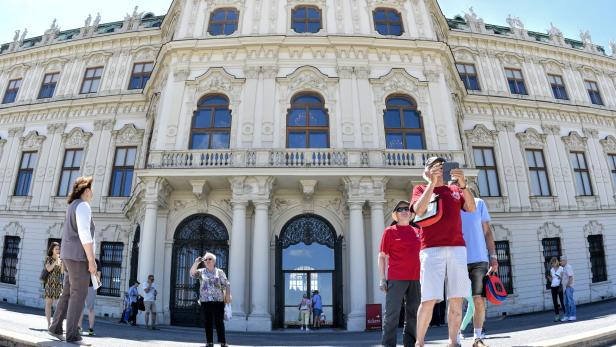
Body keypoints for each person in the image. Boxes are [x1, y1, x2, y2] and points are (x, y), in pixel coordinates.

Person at [411, 157, 476, 347]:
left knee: (456, 298)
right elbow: (419, 210)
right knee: (428, 299)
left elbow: (471, 207)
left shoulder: (455, 190)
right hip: (431, 249)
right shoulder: (420, 189)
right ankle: (420, 343)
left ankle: (452, 341)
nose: (439, 169)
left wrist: (463, 185)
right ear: (427, 170)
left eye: (441, 166)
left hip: (456, 248)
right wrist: (431, 182)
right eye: (434, 166)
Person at [48, 176, 97, 345]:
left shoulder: (71, 206)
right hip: (79, 257)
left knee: (68, 293)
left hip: (68, 255)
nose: (93, 192)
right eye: (91, 188)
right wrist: (92, 260)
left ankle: (55, 328)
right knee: (79, 294)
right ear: (85, 190)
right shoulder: (83, 206)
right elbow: (85, 233)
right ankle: (73, 335)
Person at [378, 200, 421, 347]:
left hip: (416, 278)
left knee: (413, 315)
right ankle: (388, 344)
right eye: (400, 209)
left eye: (407, 209)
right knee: (392, 315)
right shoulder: (389, 231)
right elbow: (382, 256)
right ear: (395, 215)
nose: (404, 211)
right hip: (396, 278)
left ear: (411, 214)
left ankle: (410, 344)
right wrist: (382, 279)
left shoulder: (418, 232)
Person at [458, 194, 498, 347]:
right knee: (456, 301)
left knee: (479, 300)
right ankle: (455, 339)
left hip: (479, 259)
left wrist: (493, 256)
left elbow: (487, 232)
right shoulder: (451, 204)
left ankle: (477, 338)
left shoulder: (479, 203)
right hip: (457, 258)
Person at [190, 252, 231, 347]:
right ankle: (209, 342)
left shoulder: (219, 272)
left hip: (218, 300)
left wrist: (228, 295)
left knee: (219, 322)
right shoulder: (201, 271)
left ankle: (223, 342)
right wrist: (196, 263)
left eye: (210, 259)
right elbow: (192, 274)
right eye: (206, 259)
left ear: (214, 261)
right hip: (205, 301)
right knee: (207, 322)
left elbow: (226, 284)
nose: (207, 261)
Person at [78, 259, 101, 336]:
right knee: (80, 307)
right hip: (81, 285)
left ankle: (91, 329)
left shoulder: (96, 262)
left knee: (90, 308)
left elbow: (98, 276)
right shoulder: (82, 260)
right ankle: (79, 328)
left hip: (91, 287)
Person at [44, 242, 63, 328]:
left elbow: (62, 272)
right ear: (52, 250)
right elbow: (48, 269)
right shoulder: (48, 258)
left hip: (58, 284)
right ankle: (48, 323)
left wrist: (62, 263)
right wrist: (56, 261)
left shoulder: (60, 259)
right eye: (56, 249)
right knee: (48, 304)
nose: (58, 251)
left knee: (58, 305)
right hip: (50, 283)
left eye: (59, 249)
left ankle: (56, 324)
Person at [548, 257, 565, 322]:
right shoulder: (551, 270)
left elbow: (563, 277)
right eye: (551, 263)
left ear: (556, 262)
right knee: (555, 301)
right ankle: (557, 316)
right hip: (553, 286)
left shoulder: (561, 268)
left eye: (553, 263)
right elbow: (552, 279)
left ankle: (565, 314)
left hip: (559, 286)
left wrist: (559, 277)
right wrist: (550, 279)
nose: (552, 264)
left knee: (561, 300)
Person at [560, 256, 576, 321]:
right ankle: (567, 315)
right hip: (565, 288)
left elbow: (571, 277)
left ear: (565, 261)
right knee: (566, 303)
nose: (560, 262)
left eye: (561, 261)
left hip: (568, 287)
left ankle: (573, 315)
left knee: (570, 302)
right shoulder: (564, 268)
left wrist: (568, 285)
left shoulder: (568, 267)